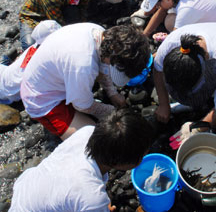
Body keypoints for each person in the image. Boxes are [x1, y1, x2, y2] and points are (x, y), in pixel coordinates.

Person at [5, 108, 153, 212]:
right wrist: (99, 211)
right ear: (120, 163)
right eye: (142, 156)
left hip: (27, 187)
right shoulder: (92, 197)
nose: (144, 157)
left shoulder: (88, 132)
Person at [20, 23, 151, 140]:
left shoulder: (100, 33)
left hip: (58, 76)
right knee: (93, 138)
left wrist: (112, 93)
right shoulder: (83, 66)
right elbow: (82, 106)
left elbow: (105, 64)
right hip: (41, 99)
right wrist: (108, 110)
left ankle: (77, 92)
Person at [0, 21, 61, 104]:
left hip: (6, 73)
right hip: (4, 93)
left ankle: (5, 58)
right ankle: (5, 58)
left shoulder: (35, 46)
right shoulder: (44, 63)